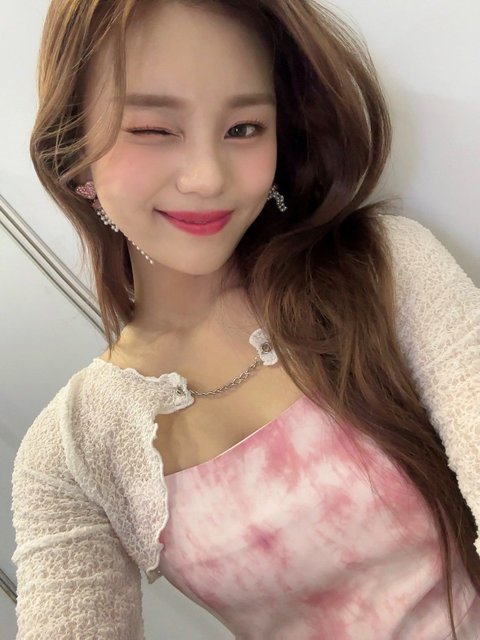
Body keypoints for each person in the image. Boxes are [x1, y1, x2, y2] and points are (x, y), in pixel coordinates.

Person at [10, 0, 480, 638]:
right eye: (152, 129)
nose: (208, 178)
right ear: (74, 155)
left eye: (244, 128)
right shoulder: (69, 453)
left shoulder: (384, 266)